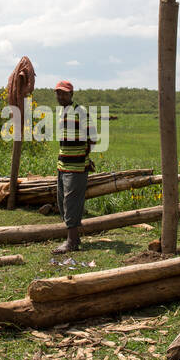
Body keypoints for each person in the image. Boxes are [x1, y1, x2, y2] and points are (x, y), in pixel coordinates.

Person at [53, 80, 98, 253]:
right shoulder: (61, 112)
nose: (61, 96)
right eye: (58, 93)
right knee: (62, 201)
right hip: (63, 164)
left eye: (64, 93)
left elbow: (93, 137)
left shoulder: (81, 112)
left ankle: (71, 242)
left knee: (71, 202)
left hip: (77, 166)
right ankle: (74, 237)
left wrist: (83, 155)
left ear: (71, 95)